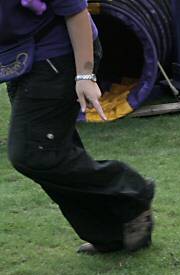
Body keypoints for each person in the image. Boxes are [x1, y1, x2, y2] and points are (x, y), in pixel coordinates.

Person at [1, 0, 154, 254]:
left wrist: (85, 76)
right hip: (20, 59)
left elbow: (76, 11)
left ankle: (131, 190)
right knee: (51, 150)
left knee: (32, 153)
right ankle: (109, 235)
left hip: (60, 55)